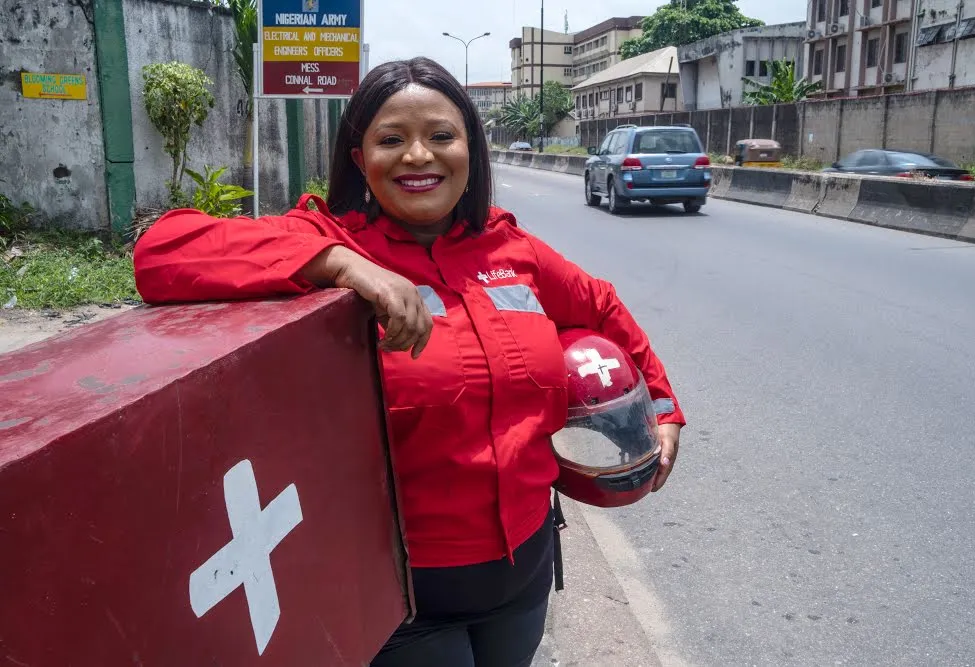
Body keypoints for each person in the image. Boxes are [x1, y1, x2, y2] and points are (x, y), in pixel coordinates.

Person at [132, 56, 685, 667]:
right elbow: (162, 251)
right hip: (403, 596)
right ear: (359, 159)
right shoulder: (329, 242)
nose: (418, 156)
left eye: (441, 136)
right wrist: (340, 266)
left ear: (470, 149)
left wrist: (662, 406)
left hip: (524, 573)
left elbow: (600, 306)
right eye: (391, 139)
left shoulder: (511, 249)